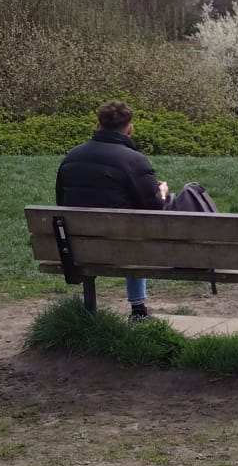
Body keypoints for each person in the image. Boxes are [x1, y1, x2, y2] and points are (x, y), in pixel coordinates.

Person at [55, 98, 168, 321]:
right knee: (134, 231)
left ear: (97, 125)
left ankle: (91, 311)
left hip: (79, 248)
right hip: (124, 247)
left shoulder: (71, 157)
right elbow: (155, 208)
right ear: (130, 129)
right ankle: (138, 310)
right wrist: (162, 191)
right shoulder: (135, 161)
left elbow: (61, 201)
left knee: (126, 228)